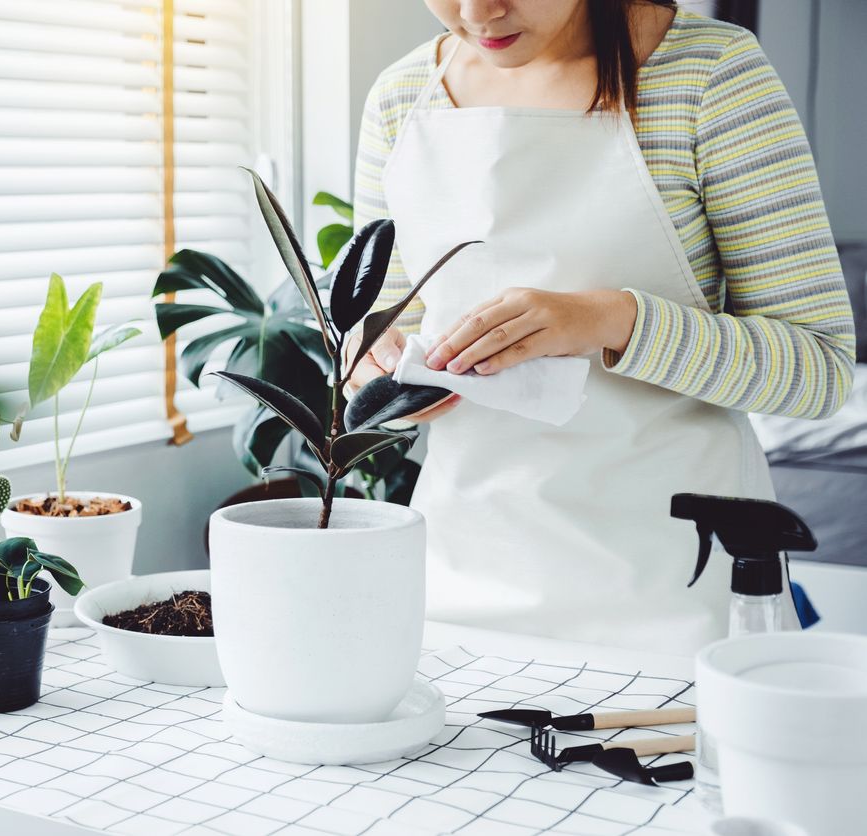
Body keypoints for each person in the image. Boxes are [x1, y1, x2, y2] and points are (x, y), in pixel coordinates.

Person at [346, 0, 854, 653]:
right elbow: (378, 330)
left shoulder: (709, 76)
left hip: (676, 586)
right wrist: (374, 361)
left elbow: (819, 371)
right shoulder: (401, 100)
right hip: (458, 578)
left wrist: (614, 320)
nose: (477, 11)